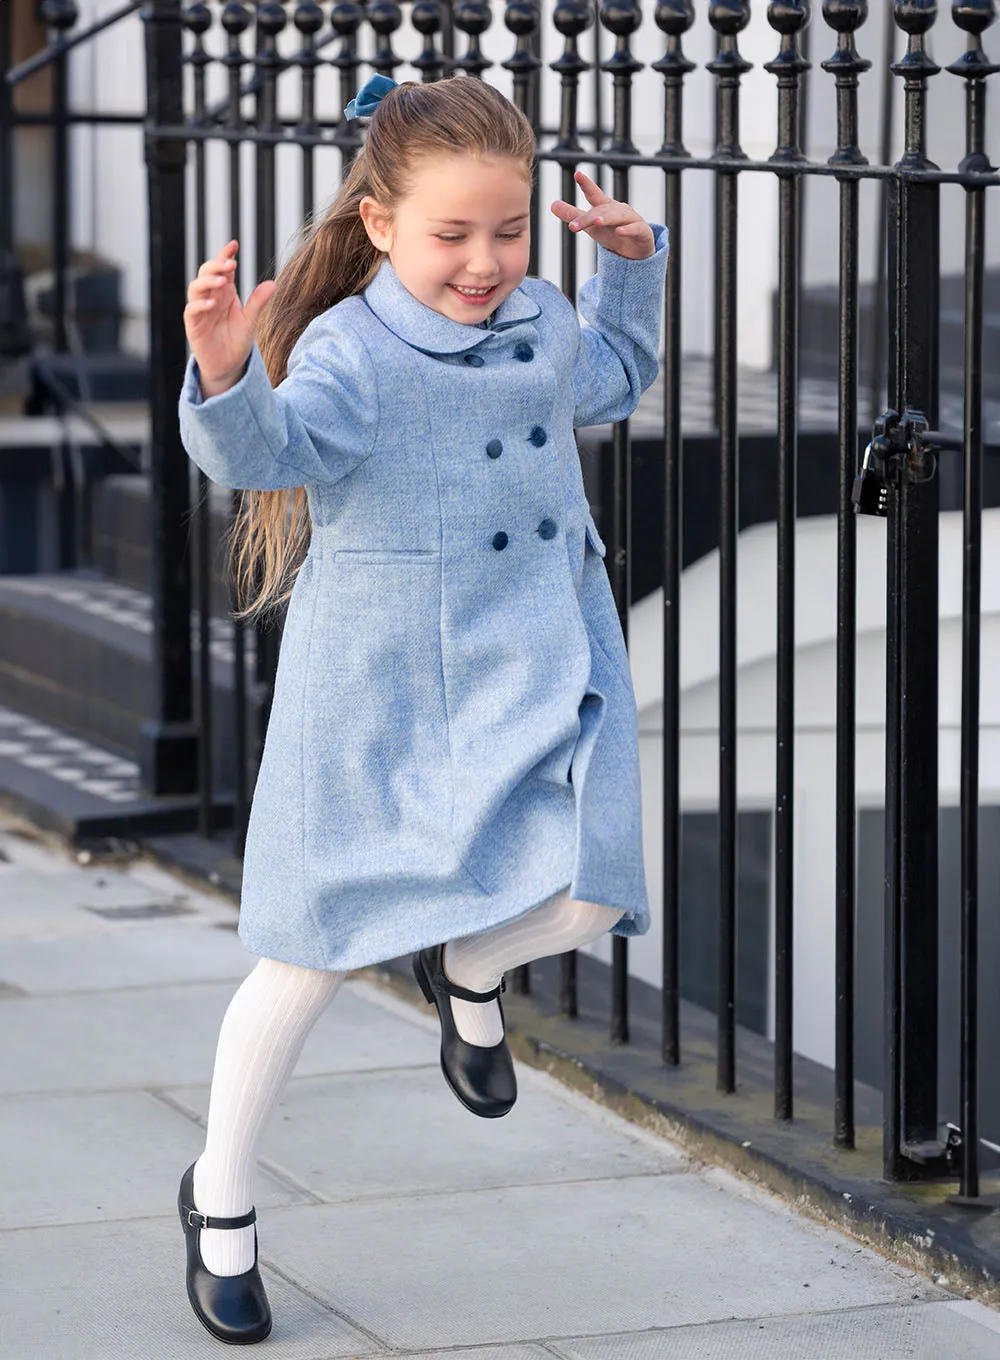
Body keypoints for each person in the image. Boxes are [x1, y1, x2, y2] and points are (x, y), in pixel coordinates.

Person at [175, 71, 668, 1345]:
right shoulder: (352, 349)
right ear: (382, 223)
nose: (485, 261)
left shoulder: (545, 313)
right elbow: (270, 453)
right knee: (310, 955)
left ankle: (469, 965)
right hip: (383, 695)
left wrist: (628, 262)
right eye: (452, 234)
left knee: (592, 890)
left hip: (535, 661)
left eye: (507, 231)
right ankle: (220, 1197)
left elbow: (608, 376)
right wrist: (227, 374)